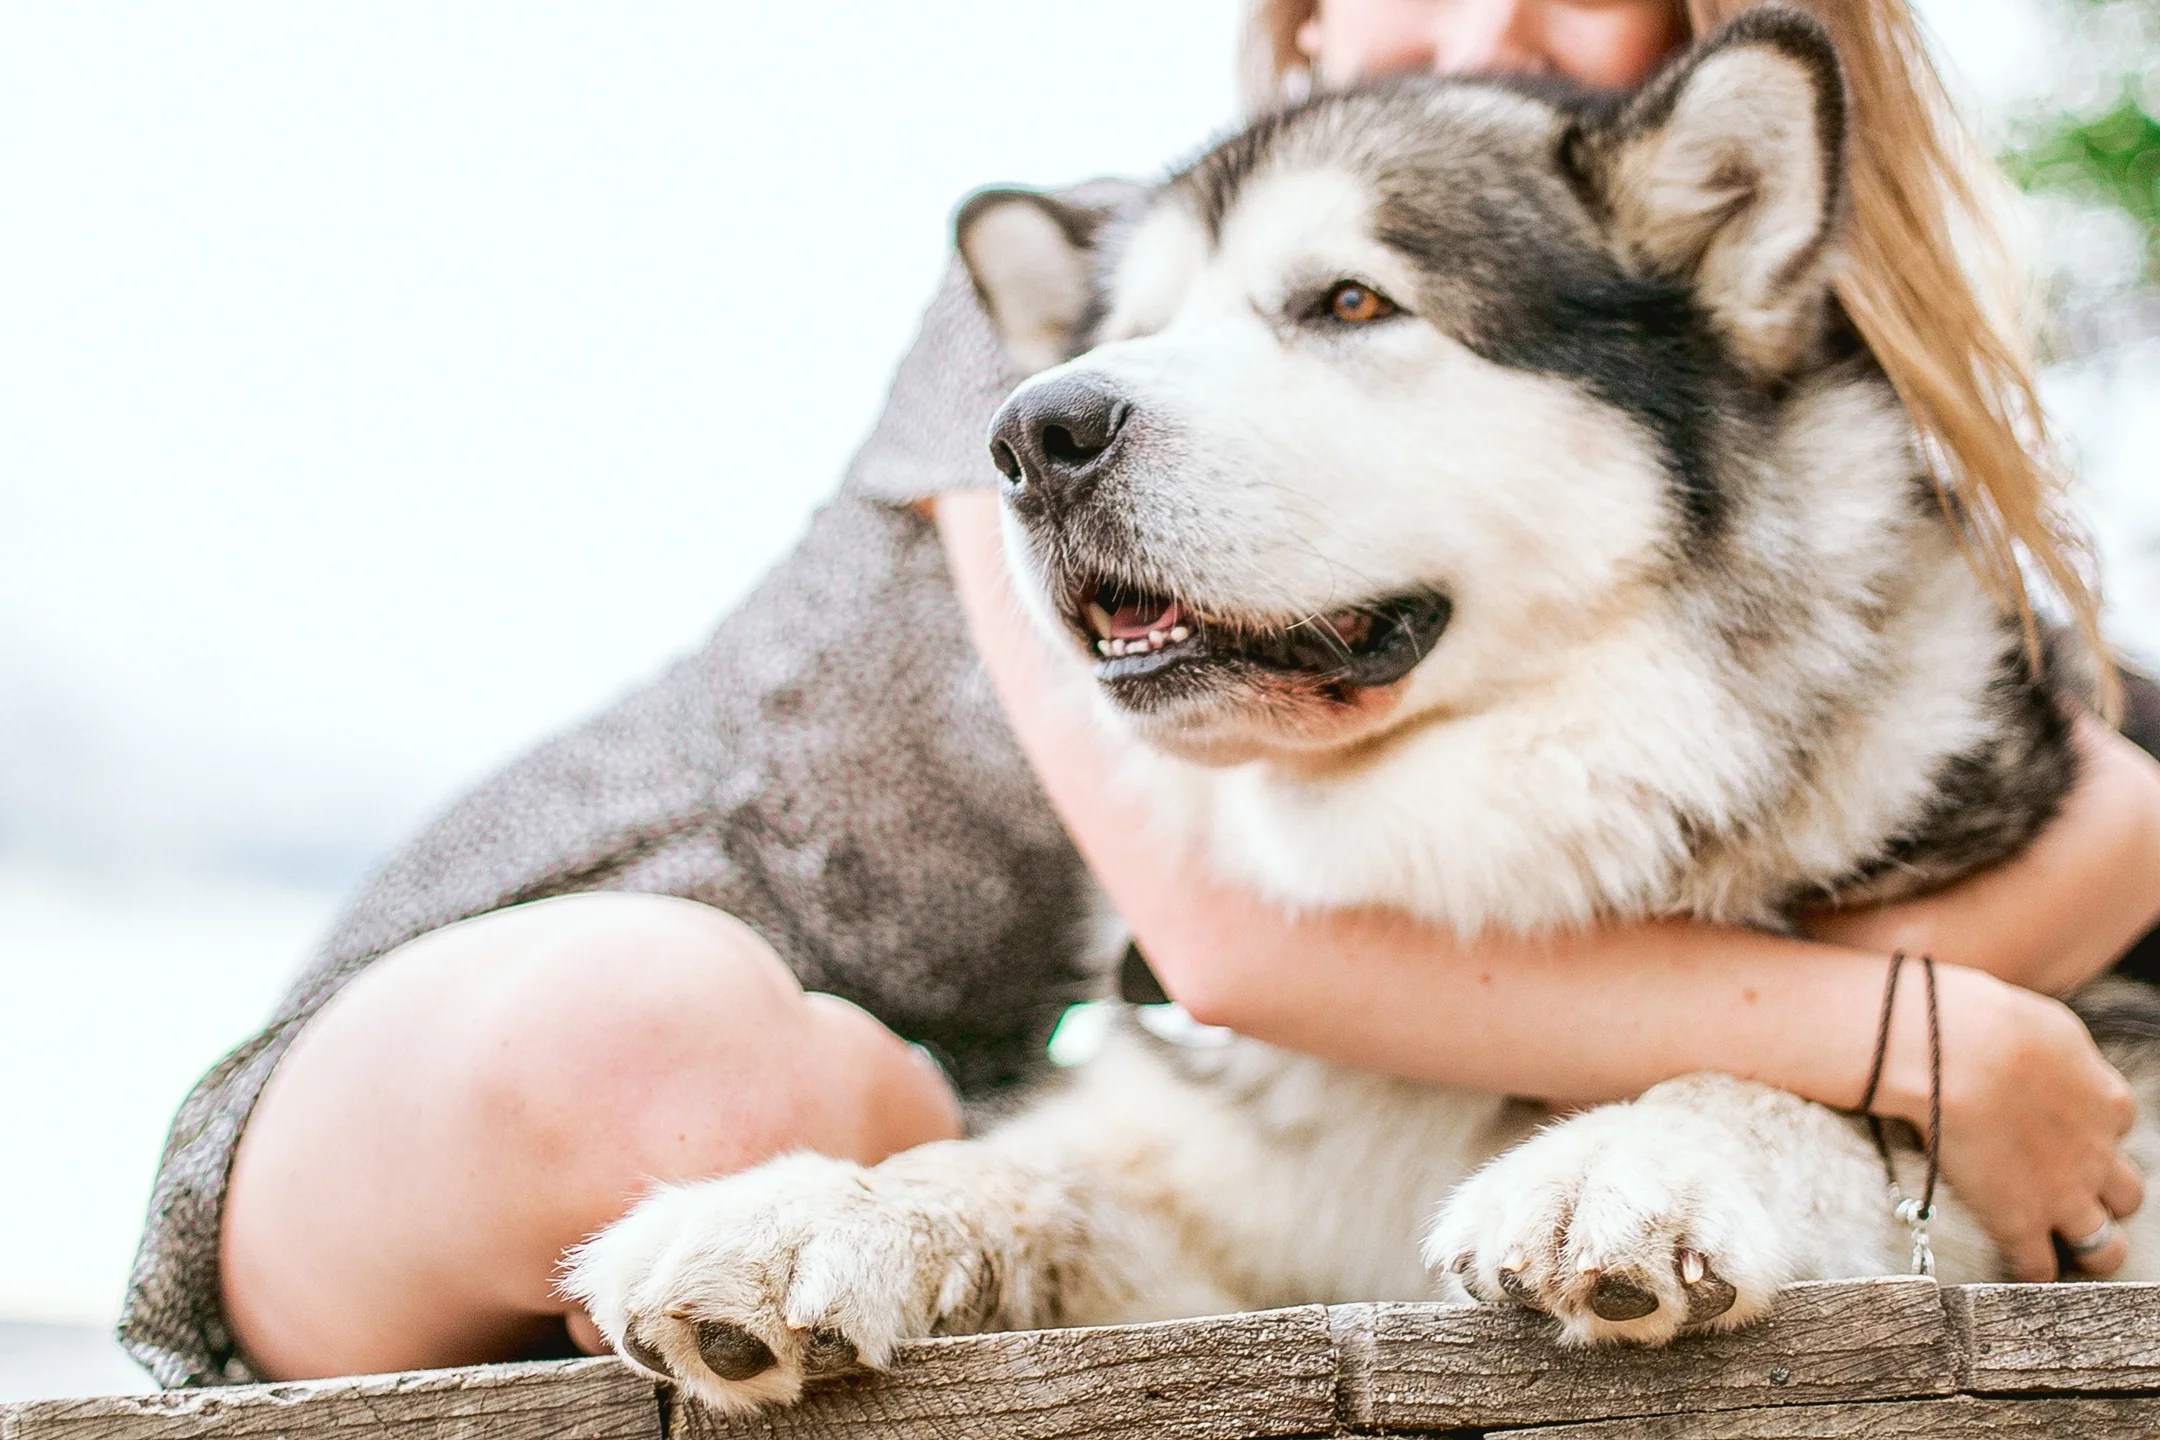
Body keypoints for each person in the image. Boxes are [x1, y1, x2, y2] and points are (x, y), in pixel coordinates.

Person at [118, 0, 2160, 1389]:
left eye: (1558, 13)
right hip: (495, 1058)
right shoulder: (1111, 287)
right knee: (732, 1075)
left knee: (906, 1127)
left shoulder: (1752, 399)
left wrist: (1963, 1017)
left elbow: (2086, 803)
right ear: (1300, 24)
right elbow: (1228, 947)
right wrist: (1920, 1040)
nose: (1471, 28)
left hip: (963, 1096)